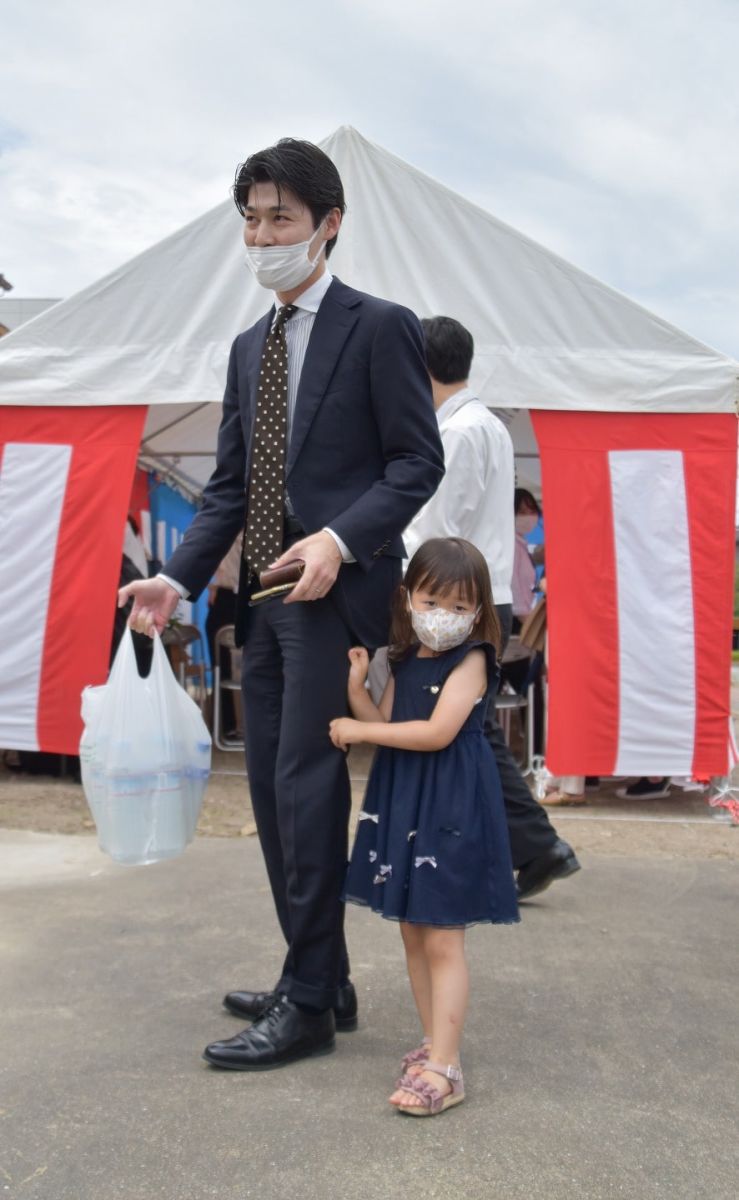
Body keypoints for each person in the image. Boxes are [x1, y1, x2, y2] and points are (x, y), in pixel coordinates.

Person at [118, 138, 444, 1070]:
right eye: (251, 220)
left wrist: (341, 540)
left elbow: (417, 462)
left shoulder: (379, 326)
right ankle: (321, 974)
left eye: (281, 220)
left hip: (329, 594)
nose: (262, 236)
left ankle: (305, 1002)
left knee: (305, 793)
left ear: (328, 225)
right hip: (258, 599)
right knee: (268, 791)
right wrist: (176, 578)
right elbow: (226, 488)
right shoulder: (243, 346)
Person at [330, 538, 518, 1116]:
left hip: (450, 804)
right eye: (433, 600)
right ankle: (436, 1042)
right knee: (412, 930)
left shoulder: (474, 658)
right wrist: (359, 692)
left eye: (461, 607)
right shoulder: (407, 655)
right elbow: (391, 722)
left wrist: (360, 732)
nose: (444, 616)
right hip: (407, 799)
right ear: (409, 596)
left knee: (442, 936)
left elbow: (434, 733)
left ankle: (446, 1068)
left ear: (480, 611)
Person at [403, 316, 580, 901]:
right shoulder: (488, 426)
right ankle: (524, 845)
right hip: (485, 598)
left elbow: (435, 535)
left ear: (422, 367)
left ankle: (524, 845)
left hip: (460, 601)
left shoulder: (457, 432)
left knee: (460, 733)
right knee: (471, 732)